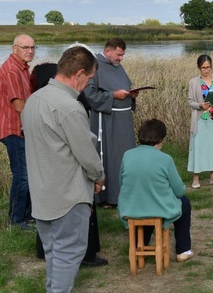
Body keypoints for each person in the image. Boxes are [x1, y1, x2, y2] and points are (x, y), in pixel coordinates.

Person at [22, 46, 105, 292]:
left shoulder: (34, 99)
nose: (88, 84)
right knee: (68, 255)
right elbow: (87, 154)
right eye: (89, 79)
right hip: (67, 196)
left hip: (41, 194)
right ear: (78, 73)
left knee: (53, 254)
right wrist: (98, 177)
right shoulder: (69, 107)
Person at [118, 119, 193, 262]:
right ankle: (183, 250)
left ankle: (140, 245)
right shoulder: (165, 159)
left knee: (145, 203)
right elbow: (179, 191)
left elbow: (122, 184)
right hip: (158, 207)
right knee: (184, 202)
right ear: (160, 139)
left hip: (131, 208)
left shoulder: (127, 155)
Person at [84, 37, 138, 208]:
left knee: (125, 157)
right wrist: (113, 95)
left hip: (123, 120)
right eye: (119, 55)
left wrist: (131, 95)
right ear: (108, 51)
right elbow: (90, 96)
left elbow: (123, 87)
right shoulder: (94, 66)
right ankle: (107, 196)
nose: (121, 58)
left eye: (122, 55)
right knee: (111, 157)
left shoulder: (116, 65)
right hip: (107, 121)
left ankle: (124, 193)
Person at [0, 34, 35, 230]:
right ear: (15, 49)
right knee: (22, 175)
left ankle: (28, 216)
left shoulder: (22, 68)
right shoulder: (12, 70)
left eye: (32, 47)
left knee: (27, 173)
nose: (30, 51)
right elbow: (20, 106)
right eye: (25, 48)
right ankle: (15, 221)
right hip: (14, 128)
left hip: (21, 128)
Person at [187, 54, 213, 188]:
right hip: (200, 120)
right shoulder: (193, 82)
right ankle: (196, 179)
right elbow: (190, 101)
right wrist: (199, 105)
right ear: (199, 68)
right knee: (198, 147)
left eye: (208, 67)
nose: (206, 70)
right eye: (203, 68)